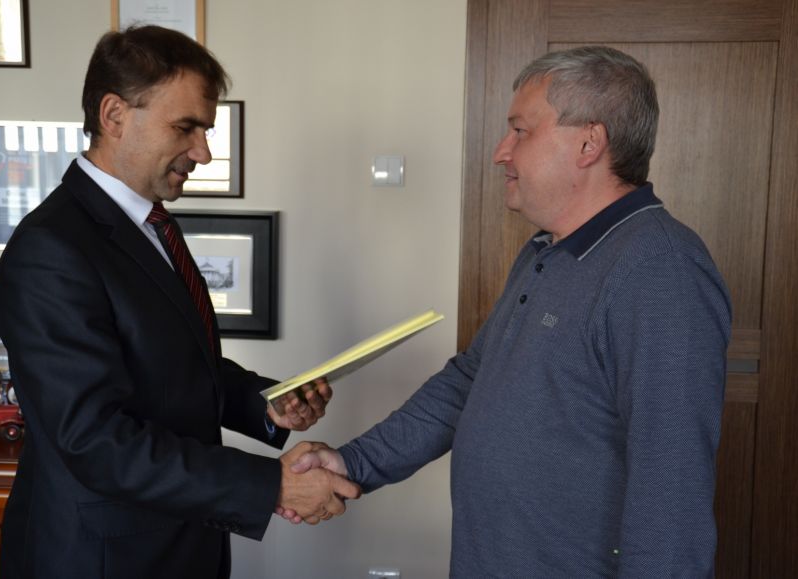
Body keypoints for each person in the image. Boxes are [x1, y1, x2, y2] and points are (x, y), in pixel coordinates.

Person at [283, 46, 732, 577]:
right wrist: (353, 462)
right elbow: (470, 381)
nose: (501, 152)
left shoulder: (660, 268)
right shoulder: (547, 249)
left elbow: (671, 490)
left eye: (520, 131)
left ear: (589, 142)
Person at [0, 25, 359, 579]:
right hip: (104, 559)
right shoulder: (51, 249)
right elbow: (96, 441)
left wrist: (263, 404)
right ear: (114, 115)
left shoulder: (151, 226)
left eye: (206, 130)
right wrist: (272, 484)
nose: (203, 152)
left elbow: (170, 367)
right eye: (186, 128)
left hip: (178, 544)